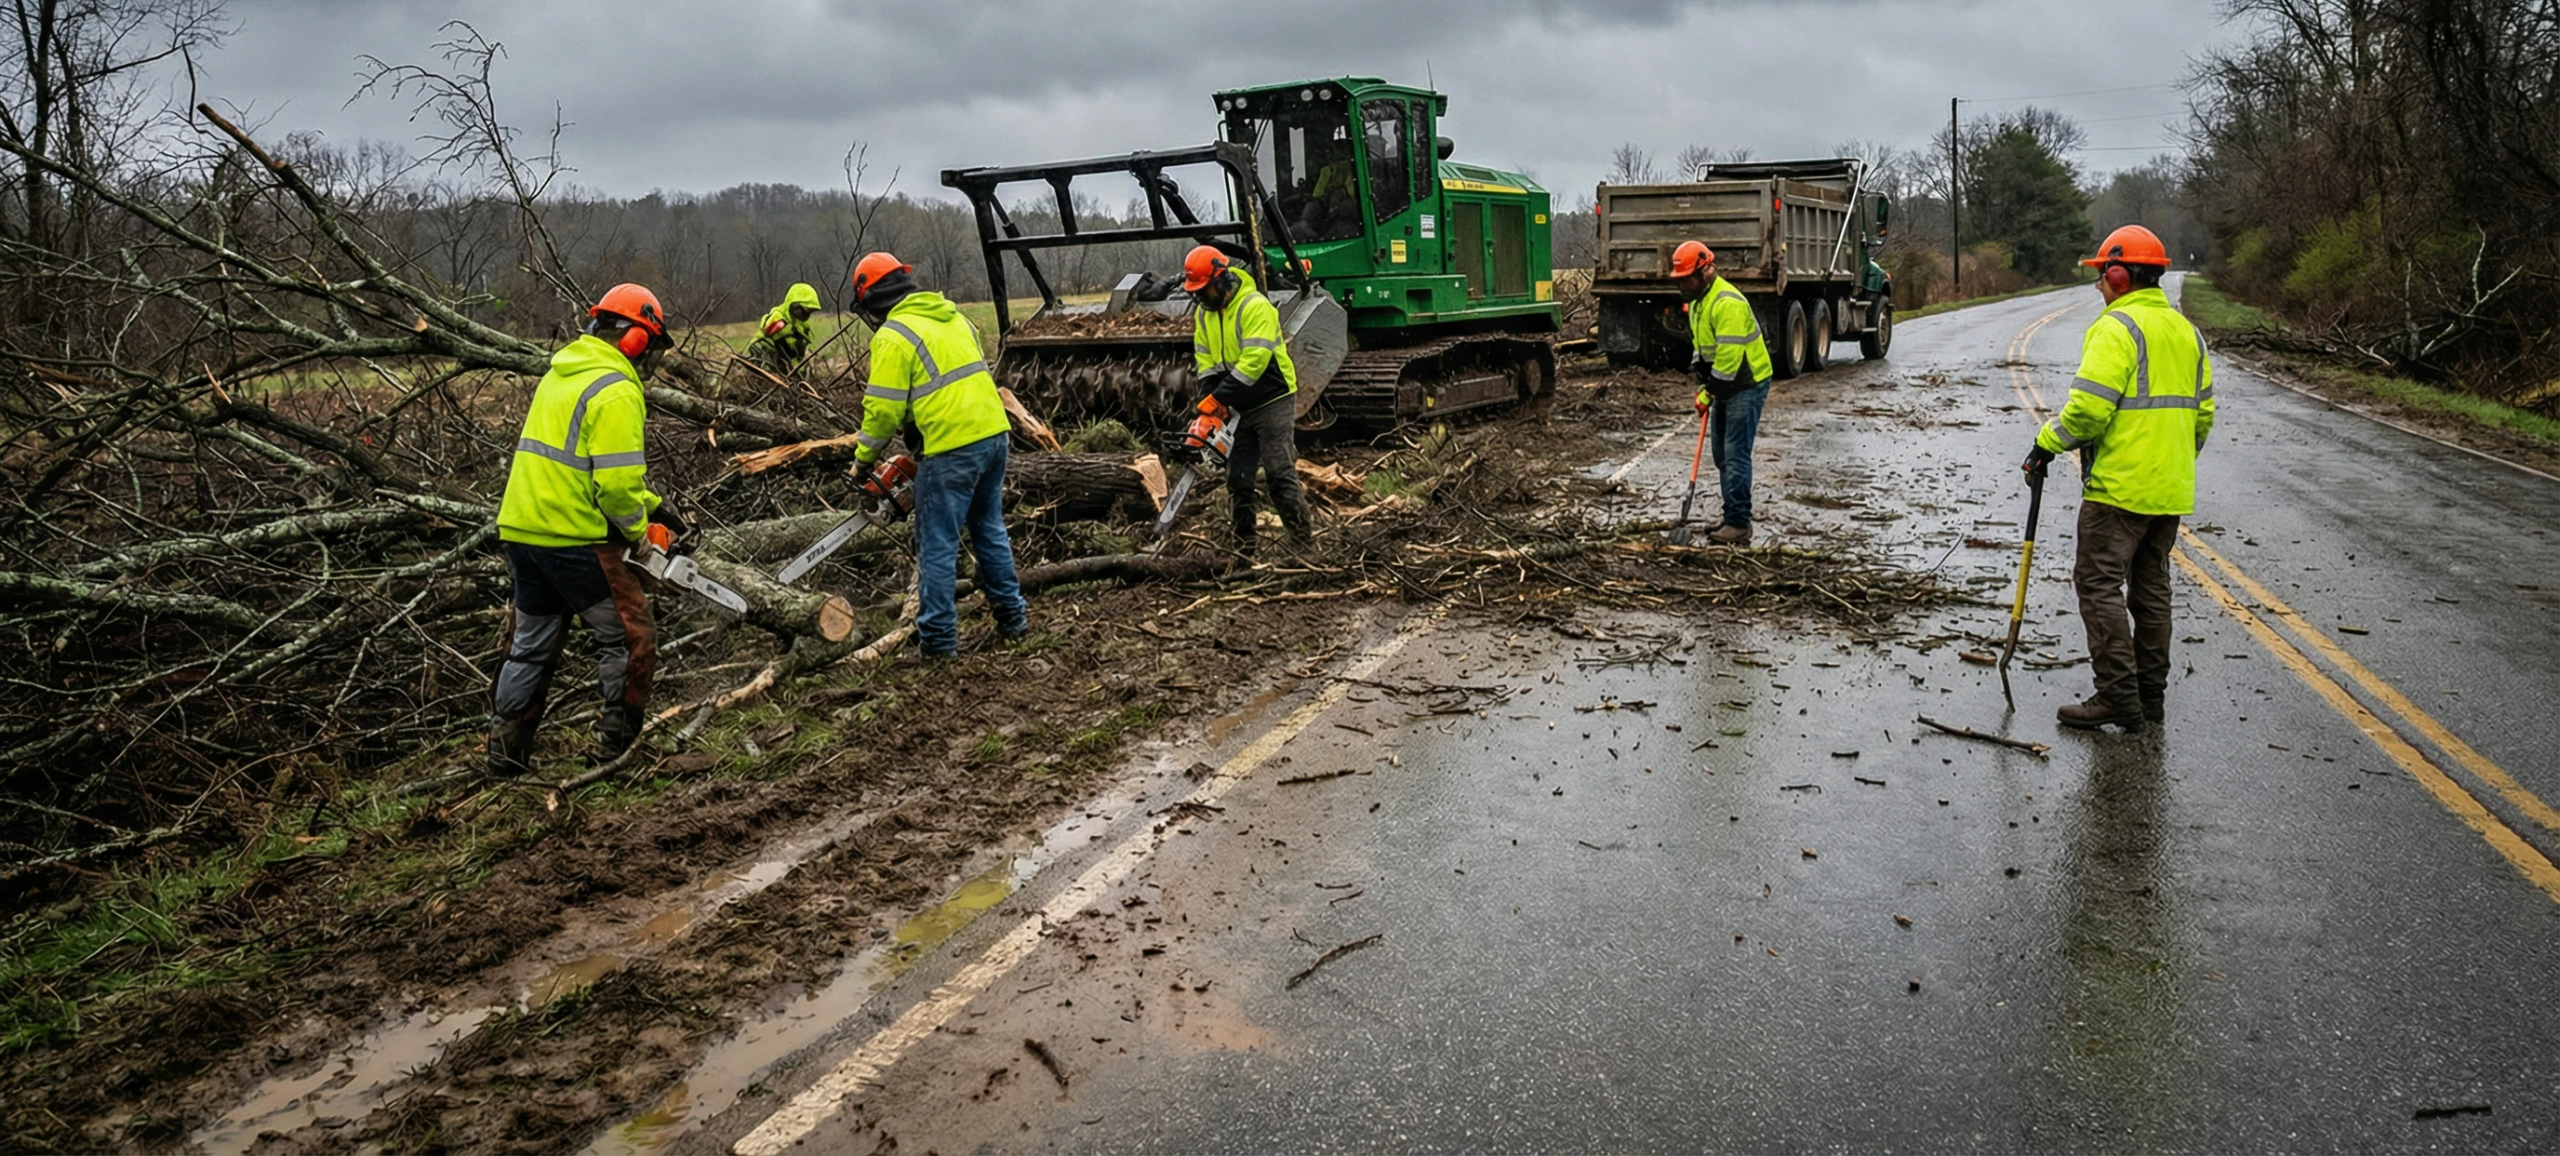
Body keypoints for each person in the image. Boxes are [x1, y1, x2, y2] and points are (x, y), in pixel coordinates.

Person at [2027, 224, 2215, 729]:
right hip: (2169, 489)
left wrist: (2045, 443)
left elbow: (2087, 413)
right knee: (2151, 590)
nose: (2097, 286)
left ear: (2119, 274)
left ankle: (2117, 696)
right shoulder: (2187, 331)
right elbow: (2203, 415)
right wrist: (2172, 461)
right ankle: (2149, 699)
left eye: (2101, 276)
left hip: (2119, 490)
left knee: (2098, 584)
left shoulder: (2118, 328)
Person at [489, 283, 680, 773]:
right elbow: (615, 487)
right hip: (577, 539)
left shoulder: (561, 375)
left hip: (524, 532)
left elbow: (577, 463)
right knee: (629, 639)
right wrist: (639, 532)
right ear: (636, 339)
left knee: (530, 647)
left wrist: (655, 505)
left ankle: (505, 760)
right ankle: (616, 756)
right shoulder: (614, 386)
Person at [848, 251, 1029, 658]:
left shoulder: (893, 336)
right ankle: (1013, 620)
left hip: (950, 448)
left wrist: (863, 460)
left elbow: (883, 411)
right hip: (994, 436)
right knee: (988, 530)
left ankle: (938, 642)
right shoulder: (952, 317)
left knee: (937, 545)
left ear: (872, 299)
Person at [1183, 244, 1309, 556]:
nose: (1200, 298)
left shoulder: (1255, 306)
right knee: (1238, 479)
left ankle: (1305, 547)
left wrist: (1220, 399)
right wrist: (1207, 403)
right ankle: (1242, 550)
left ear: (1221, 279)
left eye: (1203, 291)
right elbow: (1206, 362)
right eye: (1195, 293)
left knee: (1279, 473)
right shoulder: (1205, 314)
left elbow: (1255, 362)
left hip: (1271, 396)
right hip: (1239, 399)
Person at [1671, 240, 1774, 545]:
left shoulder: (1727, 302)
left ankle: (1739, 522)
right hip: (1724, 383)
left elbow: (1728, 362)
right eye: (1680, 281)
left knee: (1734, 453)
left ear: (1705, 271)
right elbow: (1702, 345)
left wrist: (1708, 393)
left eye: (1687, 279)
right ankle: (1731, 515)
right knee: (1720, 455)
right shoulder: (1699, 301)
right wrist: (1701, 375)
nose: (1683, 286)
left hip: (1747, 382)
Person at [748, 282, 822, 376]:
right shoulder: (778, 316)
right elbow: (766, 332)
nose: (807, 314)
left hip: (786, 361)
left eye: (811, 311)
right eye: (806, 310)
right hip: (765, 355)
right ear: (795, 305)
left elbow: (801, 350)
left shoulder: (802, 325)